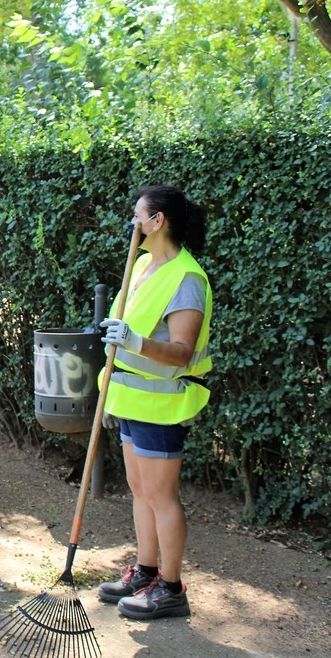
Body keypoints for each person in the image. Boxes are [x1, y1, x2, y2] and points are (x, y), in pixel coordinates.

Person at [96, 184, 211, 621]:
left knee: (161, 495)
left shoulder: (186, 278)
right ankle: (145, 571)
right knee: (140, 489)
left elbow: (181, 350)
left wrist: (135, 341)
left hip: (163, 405)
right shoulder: (143, 263)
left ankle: (171, 586)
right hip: (131, 397)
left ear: (157, 221)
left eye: (137, 216)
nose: (133, 224)